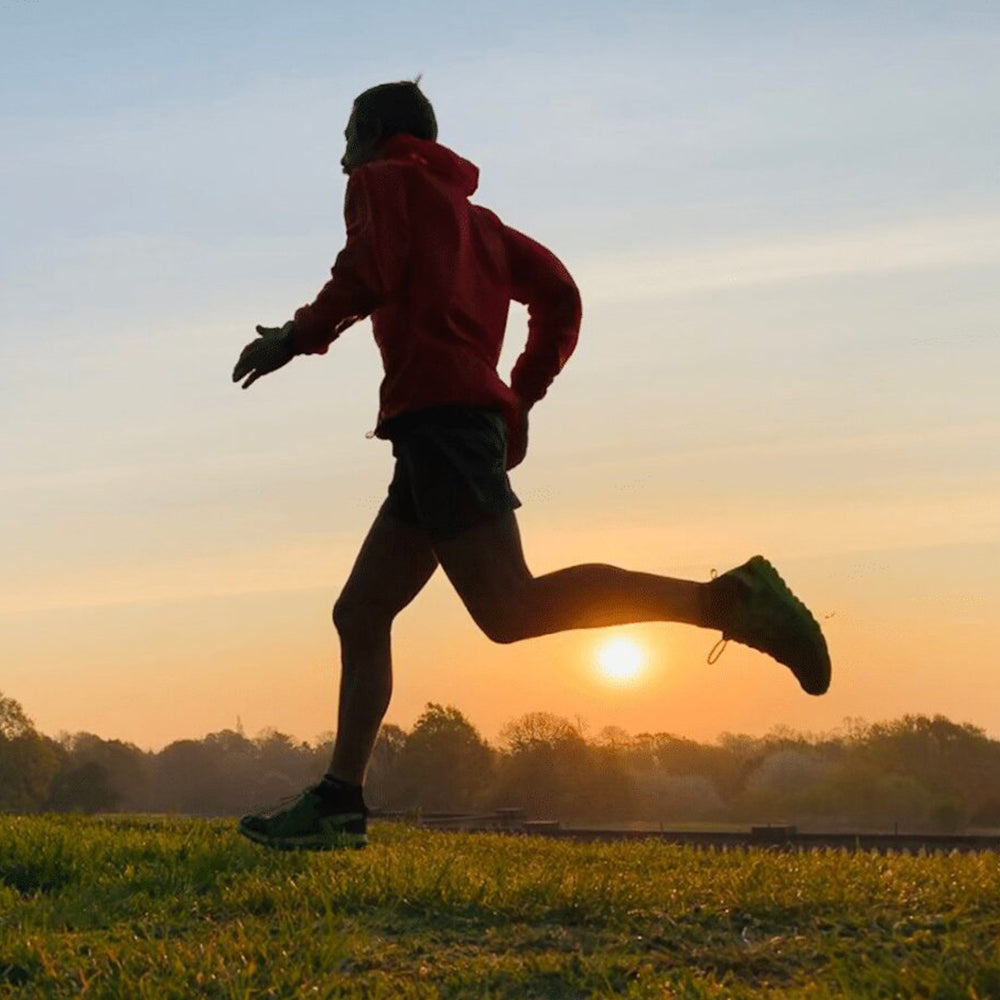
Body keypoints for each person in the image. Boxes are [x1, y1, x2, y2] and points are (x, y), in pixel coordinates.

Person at [232, 78, 831, 851]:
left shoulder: (384, 184)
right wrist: (520, 396)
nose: (339, 156)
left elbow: (366, 275)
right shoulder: (480, 226)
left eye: (348, 134)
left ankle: (729, 600)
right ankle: (341, 802)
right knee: (361, 611)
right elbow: (561, 295)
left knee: (510, 609)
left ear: (379, 133)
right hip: (437, 431)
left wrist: (293, 337)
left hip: (443, 425)